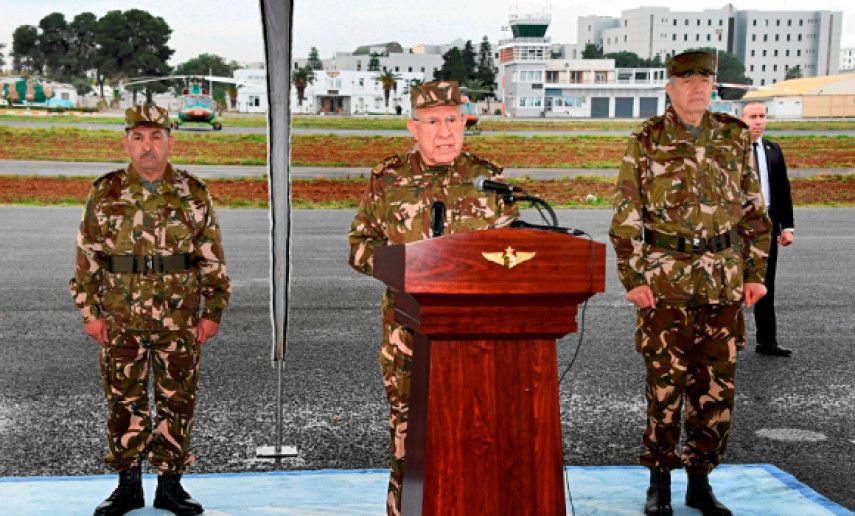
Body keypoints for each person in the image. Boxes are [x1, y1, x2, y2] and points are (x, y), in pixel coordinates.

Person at [609, 51, 772, 516]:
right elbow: (625, 219)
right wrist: (635, 279)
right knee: (664, 389)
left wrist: (755, 274)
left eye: (704, 78)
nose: (697, 87)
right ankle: (659, 481)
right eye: (686, 79)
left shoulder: (733, 137)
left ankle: (700, 483)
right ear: (669, 87)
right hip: (666, 285)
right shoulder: (647, 139)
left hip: (723, 285)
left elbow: (756, 215)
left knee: (716, 391)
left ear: (712, 86)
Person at [348, 81, 519, 516]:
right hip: (407, 337)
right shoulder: (388, 179)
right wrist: (403, 267)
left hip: (479, 340)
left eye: (452, 120)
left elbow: (515, 255)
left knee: (479, 437)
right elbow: (359, 245)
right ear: (413, 128)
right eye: (432, 122)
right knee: (410, 439)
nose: (444, 132)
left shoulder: (490, 180)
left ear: (465, 122)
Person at [70, 105, 231, 516]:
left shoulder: (193, 192)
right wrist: (90, 311)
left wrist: (212, 310)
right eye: (139, 137)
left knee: (178, 400)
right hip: (121, 316)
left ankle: (170, 486)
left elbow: (211, 256)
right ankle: (128, 486)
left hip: (180, 317)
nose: (147, 146)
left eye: (156, 137)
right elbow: (87, 256)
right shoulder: (105, 192)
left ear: (170, 142)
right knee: (124, 401)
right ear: (126, 141)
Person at [741, 102, 795, 357]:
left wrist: (787, 227)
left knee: (765, 283)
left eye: (762, 116)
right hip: (738, 226)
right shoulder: (731, 150)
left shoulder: (773, 150)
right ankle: (727, 342)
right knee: (732, 285)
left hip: (768, 225)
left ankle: (767, 341)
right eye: (753, 117)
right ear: (742, 120)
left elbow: (783, 190)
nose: (758, 121)